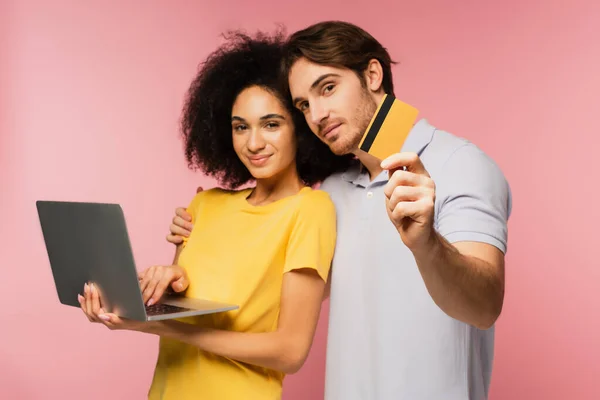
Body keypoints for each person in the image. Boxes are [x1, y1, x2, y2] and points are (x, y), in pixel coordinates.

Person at [167, 21, 512, 400]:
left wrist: (426, 241)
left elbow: (484, 308)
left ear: (373, 74)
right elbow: (279, 289)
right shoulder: (331, 192)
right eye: (303, 105)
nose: (316, 115)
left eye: (327, 88)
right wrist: (206, 232)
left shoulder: (460, 164)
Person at [78, 30, 354, 400]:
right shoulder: (204, 205)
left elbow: (290, 352)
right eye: (241, 127)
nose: (253, 143)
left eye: (271, 124)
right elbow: (184, 301)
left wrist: (151, 327)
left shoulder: (310, 209)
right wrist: (161, 282)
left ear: (300, 130)